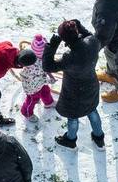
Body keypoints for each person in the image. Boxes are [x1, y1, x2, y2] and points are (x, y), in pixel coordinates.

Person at [44, 19, 104, 149]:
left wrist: (51, 47)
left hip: (73, 94)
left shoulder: (69, 57)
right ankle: (99, 138)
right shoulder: (93, 43)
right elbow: (89, 35)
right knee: (92, 111)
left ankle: (70, 140)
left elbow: (47, 66)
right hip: (91, 86)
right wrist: (79, 25)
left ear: (65, 41)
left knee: (73, 117)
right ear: (76, 32)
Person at [18, 35, 55, 121]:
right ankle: (26, 112)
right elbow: (40, 80)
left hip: (38, 84)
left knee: (45, 90)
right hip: (32, 88)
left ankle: (48, 102)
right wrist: (50, 80)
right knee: (32, 100)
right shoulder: (37, 66)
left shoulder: (31, 57)